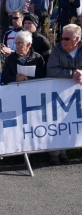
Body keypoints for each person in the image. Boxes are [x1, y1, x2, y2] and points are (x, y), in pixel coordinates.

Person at [46, 24, 82, 164]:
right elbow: (51, 70)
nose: (62, 41)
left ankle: (67, 151)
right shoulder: (57, 50)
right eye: (62, 38)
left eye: (66, 38)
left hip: (77, 93)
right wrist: (71, 73)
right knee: (58, 122)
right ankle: (55, 154)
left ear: (77, 39)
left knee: (73, 121)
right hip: (60, 94)